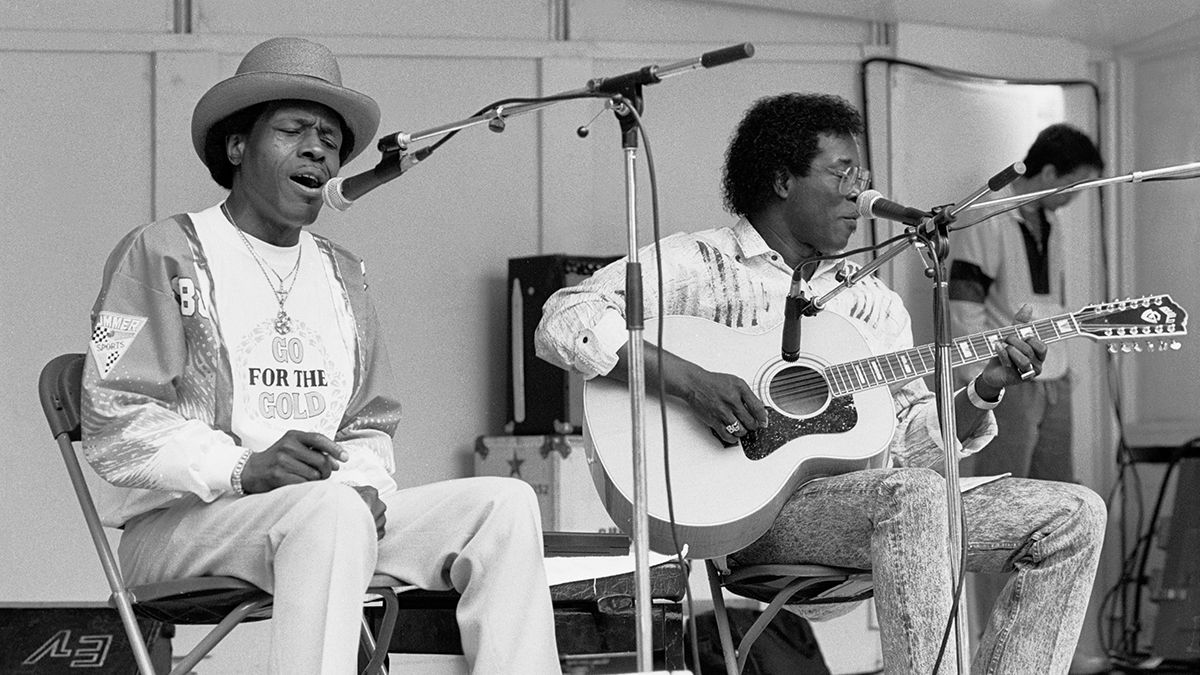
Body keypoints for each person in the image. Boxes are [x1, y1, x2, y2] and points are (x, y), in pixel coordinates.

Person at [535, 92, 1106, 673]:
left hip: (878, 509)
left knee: (1075, 514)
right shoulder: (702, 264)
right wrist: (691, 382)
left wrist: (983, 390)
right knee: (913, 496)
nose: (862, 195)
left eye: (864, 177)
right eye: (843, 174)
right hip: (753, 517)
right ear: (783, 180)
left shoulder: (872, 303)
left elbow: (911, 447)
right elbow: (564, 317)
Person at [81, 37, 560, 674]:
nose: (317, 149)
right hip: (180, 529)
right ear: (236, 147)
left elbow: (369, 424)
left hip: (325, 516)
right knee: (331, 509)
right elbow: (117, 419)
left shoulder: (343, 272)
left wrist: (359, 488)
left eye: (330, 139)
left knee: (504, 506)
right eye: (292, 130)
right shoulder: (164, 250)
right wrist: (243, 467)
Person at [950, 123, 1104, 484]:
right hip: (1007, 374)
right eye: (1074, 184)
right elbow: (963, 300)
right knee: (1003, 488)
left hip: (1055, 373)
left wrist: (1065, 363)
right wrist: (978, 380)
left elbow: (1053, 300)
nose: (1074, 195)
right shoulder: (989, 213)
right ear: (1050, 172)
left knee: (1057, 488)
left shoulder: (1051, 219)